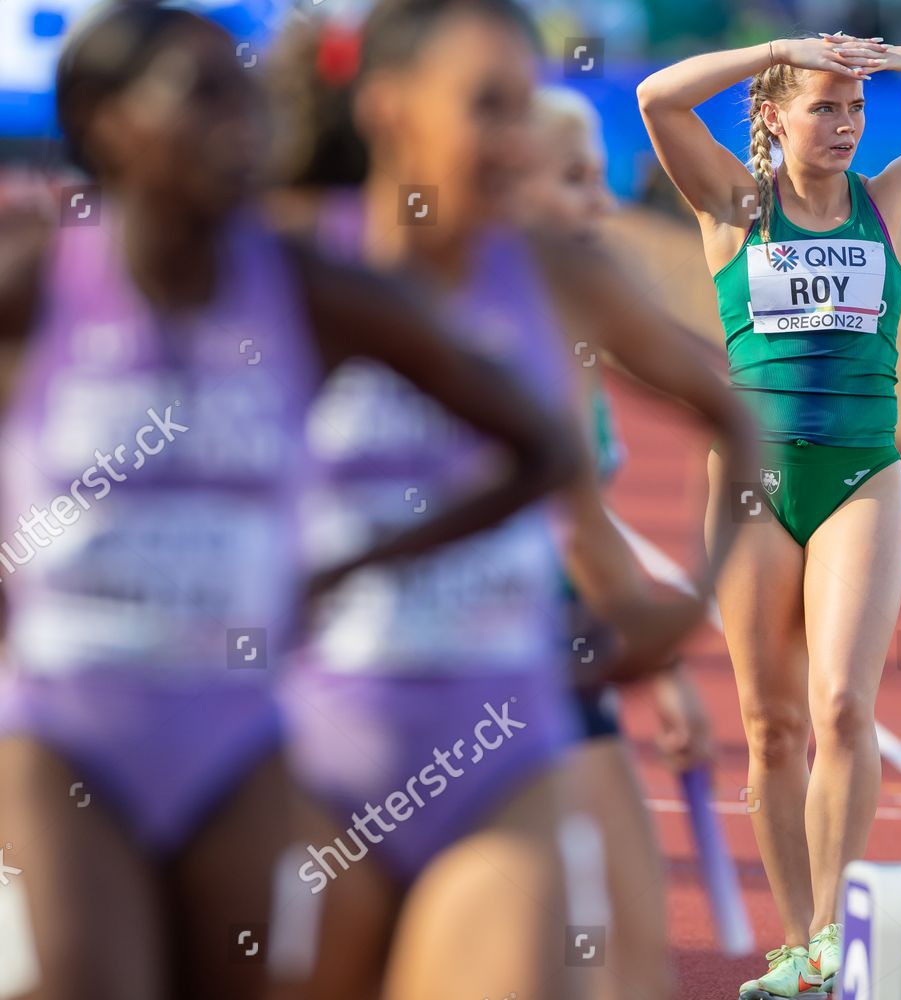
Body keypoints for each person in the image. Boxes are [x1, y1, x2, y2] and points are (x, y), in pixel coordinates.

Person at [0, 4, 577, 998]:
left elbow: (542, 446)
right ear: (105, 119)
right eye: (203, 95)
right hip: (68, 727)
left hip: (240, 745)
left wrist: (355, 568)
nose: (244, 123)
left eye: (250, 95)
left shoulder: (311, 289)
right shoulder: (38, 279)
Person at [268, 4, 759, 997]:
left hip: (498, 753)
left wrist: (690, 600)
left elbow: (736, 412)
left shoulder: (552, 271)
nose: (515, 140)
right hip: (305, 753)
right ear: (388, 105)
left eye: (523, 108)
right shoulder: (287, 258)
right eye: (486, 108)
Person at [638, 31, 901, 997]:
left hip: (862, 476)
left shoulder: (892, 201)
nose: (846, 126)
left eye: (855, 110)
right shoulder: (735, 205)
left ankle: (831, 935)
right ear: (774, 115)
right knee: (771, 727)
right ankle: (794, 948)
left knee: (843, 707)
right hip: (751, 487)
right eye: (824, 106)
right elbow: (658, 97)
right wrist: (777, 46)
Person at [512, 83, 719, 1000]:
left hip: (551, 659)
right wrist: (669, 651)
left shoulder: (565, 320)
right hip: (515, 667)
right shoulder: (516, 324)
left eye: (602, 178)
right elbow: (577, 529)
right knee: (615, 954)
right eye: (574, 180)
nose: (601, 202)